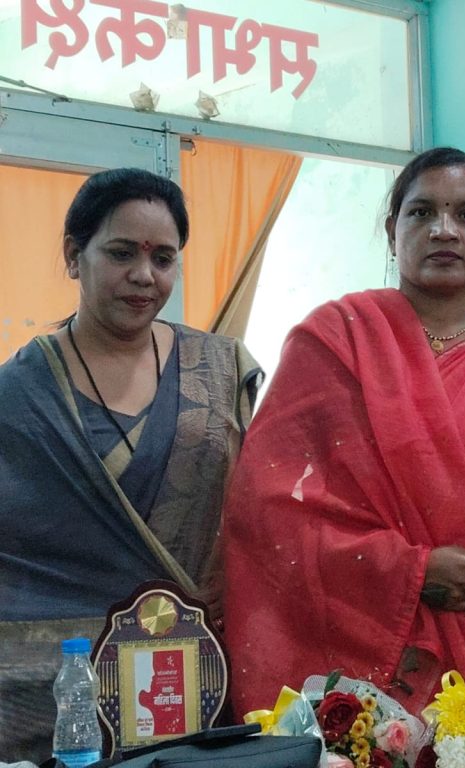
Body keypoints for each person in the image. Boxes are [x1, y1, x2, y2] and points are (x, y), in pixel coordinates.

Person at [222, 147, 465, 716]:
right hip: (360, 660)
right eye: (422, 212)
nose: (444, 230)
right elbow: (268, 514)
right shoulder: (334, 341)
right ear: (392, 231)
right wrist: (413, 569)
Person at [0, 168, 262, 763]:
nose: (145, 276)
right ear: (74, 256)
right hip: (60, 694)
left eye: (163, 258)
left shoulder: (218, 369)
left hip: (198, 671)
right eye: (122, 253)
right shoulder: (18, 396)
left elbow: (257, 513)